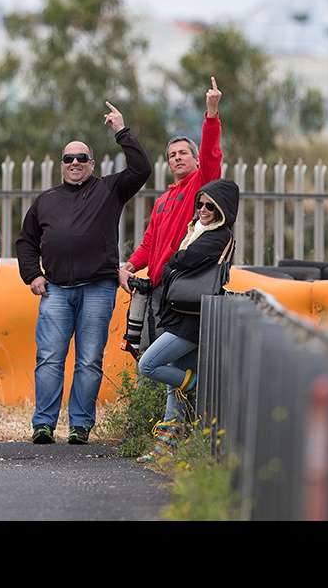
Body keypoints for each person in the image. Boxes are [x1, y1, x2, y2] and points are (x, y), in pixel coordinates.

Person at [16, 101, 152, 444]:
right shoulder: (45, 200)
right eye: (68, 159)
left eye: (81, 158)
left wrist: (121, 129)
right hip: (56, 290)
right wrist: (33, 275)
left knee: (89, 361)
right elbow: (25, 241)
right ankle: (43, 424)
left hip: (98, 289)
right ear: (61, 165)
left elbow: (141, 168)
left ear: (92, 164)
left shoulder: (109, 189)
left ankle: (80, 426)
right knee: (49, 359)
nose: (74, 163)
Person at [135, 178, 239, 465]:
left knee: (149, 364)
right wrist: (174, 261)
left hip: (192, 319)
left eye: (210, 205)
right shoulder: (197, 230)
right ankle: (166, 446)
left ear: (222, 209)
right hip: (181, 312)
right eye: (200, 204)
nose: (203, 209)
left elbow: (185, 259)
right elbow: (178, 260)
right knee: (173, 385)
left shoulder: (218, 236)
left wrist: (173, 261)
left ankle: (195, 385)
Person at [118, 76, 223, 355]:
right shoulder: (163, 199)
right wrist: (129, 266)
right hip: (155, 289)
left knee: (163, 360)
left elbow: (212, 156)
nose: (177, 158)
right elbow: (149, 243)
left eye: (183, 153)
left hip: (181, 287)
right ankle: (153, 401)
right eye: (172, 155)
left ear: (196, 159)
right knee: (144, 353)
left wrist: (211, 114)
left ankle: (184, 393)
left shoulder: (200, 187)